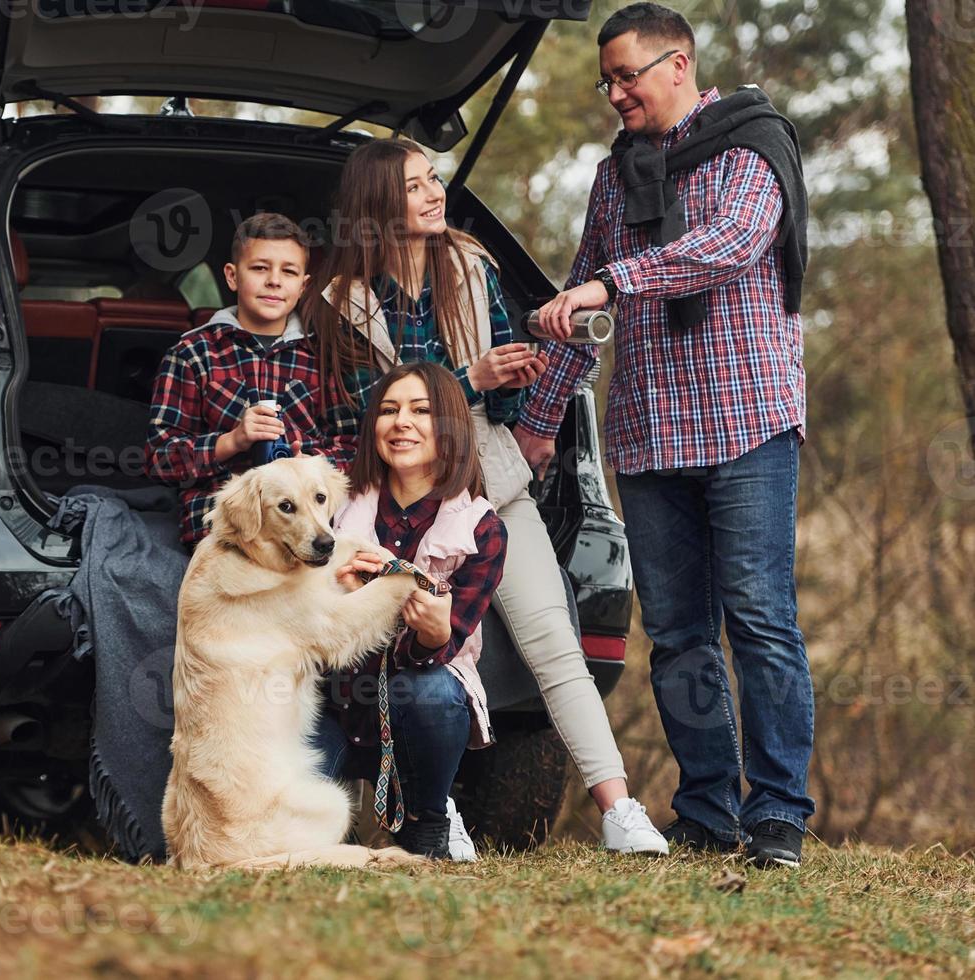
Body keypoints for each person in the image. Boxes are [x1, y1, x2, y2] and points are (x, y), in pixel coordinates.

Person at [305, 137, 670, 856]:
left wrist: (519, 377)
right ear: (380, 202)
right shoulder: (339, 303)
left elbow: (500, 405)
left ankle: (621, 811)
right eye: (416, 185)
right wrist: (469, 378)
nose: (435, 192)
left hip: (490, 488)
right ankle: (439, 814)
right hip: (394, 505)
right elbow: (361, 415)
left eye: (435, 178)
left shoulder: (472, 267)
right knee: (413, 656)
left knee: (554, 644)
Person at [515, 3, 814, 868]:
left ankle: (778, 816)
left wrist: (613, 283)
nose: (614, 93)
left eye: (626, 76)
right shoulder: (616, 178)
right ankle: (709, 812)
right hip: (649, 435)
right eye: (605, 80)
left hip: (745, 423)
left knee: (759, 619)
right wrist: (538, 429)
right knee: (679, 633)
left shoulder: (753, 144)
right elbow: (582, 300)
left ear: (676, 65)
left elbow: (728, 246)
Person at [318, 362, 506, 860]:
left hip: (416, 698)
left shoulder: (479, 529)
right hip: (334, 697)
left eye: (421, 411)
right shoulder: (337, 507)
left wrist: (431, 633)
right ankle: (333, 834)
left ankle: (427, 819)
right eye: (388, 410)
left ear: (451, 429)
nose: (401, 421)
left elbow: (441, 649)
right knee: (301, 814)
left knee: (434, 691)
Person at [146, 212, 356, 546]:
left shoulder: (323, 359)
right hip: (224, 525)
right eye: (259, 268)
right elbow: (160, 459)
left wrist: (313, 463)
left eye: (288, 271)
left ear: (303, 286)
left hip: (309, 523)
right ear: (232, 276)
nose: (274, 281)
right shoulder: (192, 353)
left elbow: (354, 447)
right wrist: (232, 441)